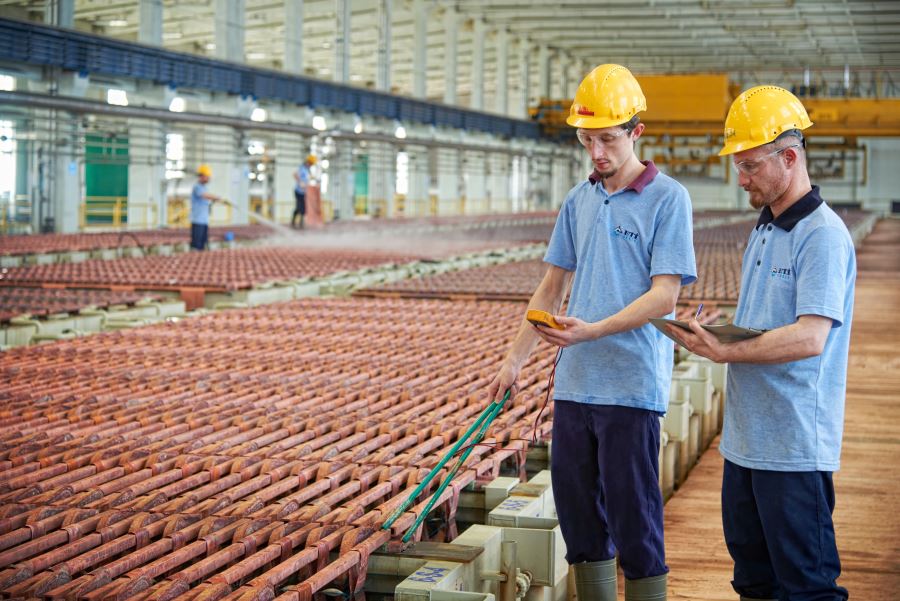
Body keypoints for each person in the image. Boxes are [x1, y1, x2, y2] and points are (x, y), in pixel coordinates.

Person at [487, 64, 697, 601]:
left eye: (608, 139)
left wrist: (594, 331)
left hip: (630, 386)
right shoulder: (579, 201)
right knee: (580, 519)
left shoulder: (667, 198)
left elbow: (664, 296)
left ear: (636, 133)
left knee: (634, 519)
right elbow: (551, 286)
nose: (597, 152)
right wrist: (514, 359)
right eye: (587, 140)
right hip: (576, 388)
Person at [666, 86, 855, 601]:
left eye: (749, 166)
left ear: (789, 157)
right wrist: (717, 329)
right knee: (754, 580)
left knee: (808, 587)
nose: (741, 177)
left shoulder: (823, 235)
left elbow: (811, 336)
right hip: (746, 443)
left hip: (793, 446)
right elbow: (766, 321)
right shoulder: (766, 226)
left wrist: (725, 350)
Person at [190, 164, 221, 251]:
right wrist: (216, 197)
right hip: (197, 220)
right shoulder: (197, 187)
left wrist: (215, 199)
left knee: (203, 244)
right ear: (202, 176)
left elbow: (207, 198)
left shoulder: (204, 187)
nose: (208, 179)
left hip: (204, 220)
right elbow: (204, 195)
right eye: (207, 177)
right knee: (197, 245)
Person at [293, 154, 316, 229]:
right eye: (311, 164)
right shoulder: (302, 167)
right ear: (308, 162)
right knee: (300, 208)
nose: (311, 165)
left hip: (304, 192)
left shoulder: (307, 170)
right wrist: (300, 182)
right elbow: (295, 174)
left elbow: (308, 178)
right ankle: (298, 223)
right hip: (298, 191)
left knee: (302, 208)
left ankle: (299, 223)